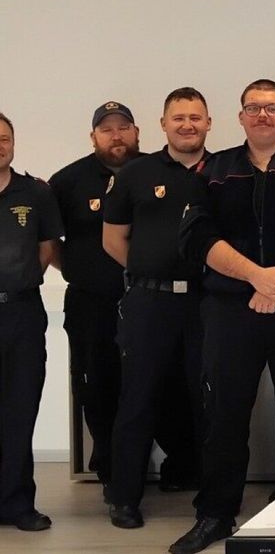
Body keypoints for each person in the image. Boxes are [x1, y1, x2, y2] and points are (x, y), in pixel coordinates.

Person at [170, 80, 275, 554]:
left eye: (273, 108)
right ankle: (216, 514)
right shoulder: (215, 170)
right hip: (231, 310)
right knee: (223, 413)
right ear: (240, 116)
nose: (263, 115)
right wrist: (255, 278)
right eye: (254, 108)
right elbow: (198, 238)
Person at [101, 88, 211, 529]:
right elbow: (113, 240)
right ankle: (125, 498)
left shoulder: (223, 172)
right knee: (138, 400)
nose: (187, 125)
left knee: (211, 401)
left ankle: (215, 497)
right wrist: (153, 272)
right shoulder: (135, 173)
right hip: (150, 302)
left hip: (208, 303)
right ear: (163, 124)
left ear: (209, 124)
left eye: (196, 118)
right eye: (178, 117)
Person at [49, 102, 142, 491]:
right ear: (93, 137)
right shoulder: (67, 181)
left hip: (147, 301)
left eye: (123, 127)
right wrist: (75, 271)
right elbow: (49, 240)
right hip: (92, 303)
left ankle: (172, 464)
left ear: (138, 132)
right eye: (107, 129)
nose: (116, 135)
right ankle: (108, 465)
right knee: (96, 385)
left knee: (151, 382)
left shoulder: (156, 172)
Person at [0, 113, 62, 532]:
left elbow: (46, 249)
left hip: (21, 313)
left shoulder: (35, 192)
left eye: (4, 139)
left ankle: (18, 505)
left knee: (20, 411)